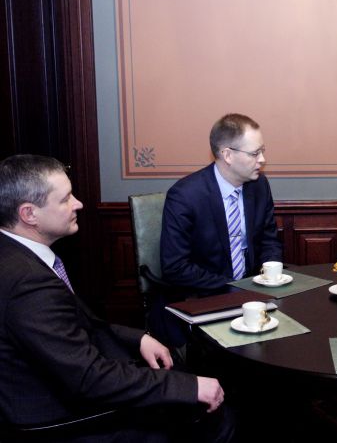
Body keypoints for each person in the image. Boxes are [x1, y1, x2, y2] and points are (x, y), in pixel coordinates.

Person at [0, 154, 232, 442]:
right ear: (29, 214)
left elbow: (79, 325)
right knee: (215, 419)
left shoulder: (16, 254)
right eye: (66, 199)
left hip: (60, 385)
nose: (78, 204)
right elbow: (89, 378)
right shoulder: (28, 284)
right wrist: (188, 387)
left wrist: (139, 339)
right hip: (60, 420)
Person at [158, 113, 283, 345]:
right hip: (203, 297)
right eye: (255, 153)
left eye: (262, 151)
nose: (262, 159)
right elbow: (175, 267)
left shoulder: (259, 186)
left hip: (255, 296)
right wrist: (233, 288)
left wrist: (270, 275)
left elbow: (269, 240)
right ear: (227, 155)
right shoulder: (185, 196)